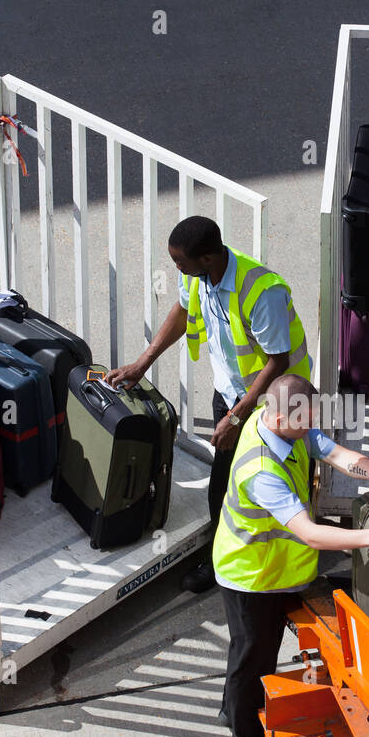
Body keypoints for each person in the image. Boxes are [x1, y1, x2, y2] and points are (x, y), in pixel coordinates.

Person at [212, 373, 369, 737]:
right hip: (252, 575)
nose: (310, 429)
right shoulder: (262, 470)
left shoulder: (287, 426)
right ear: (278, 416)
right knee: (254, 661)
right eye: (303, 422)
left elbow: (338, 455)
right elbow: (308, 532)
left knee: (247, 657)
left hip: (280, 567)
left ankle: (231, 711)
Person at [105, 215, 312, 593]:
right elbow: (182, 313)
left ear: (207, 258)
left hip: (276, 404)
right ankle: (224, 559)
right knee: (225, 484)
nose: (176, 270)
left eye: (181, 262)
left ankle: (282, 565)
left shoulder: (261, 291)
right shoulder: (197, 276)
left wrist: (237, 417)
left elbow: (278, 360)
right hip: (232, 394)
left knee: (278, 483)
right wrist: (142, 363)